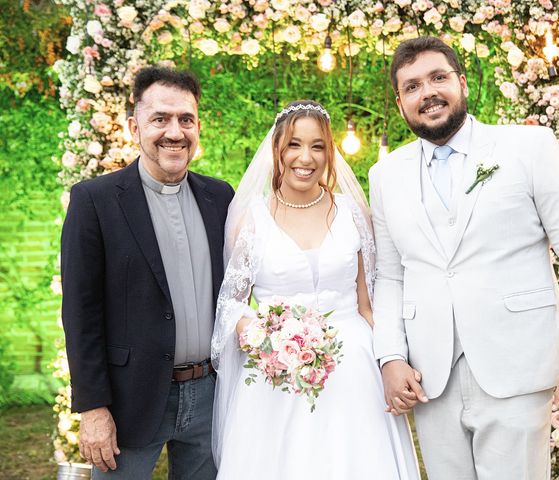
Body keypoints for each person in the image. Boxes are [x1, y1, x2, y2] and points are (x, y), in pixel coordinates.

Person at [369, 36, 559, 479]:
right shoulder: (385, 175)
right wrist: (390, 356)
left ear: (461, 83)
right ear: (401, 102)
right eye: (412, 86)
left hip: (517, 367)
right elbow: (390, 276)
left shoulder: (528, 148)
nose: (427, 93)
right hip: (430, 377)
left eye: (438, 78)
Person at [211, 100, 420, 480]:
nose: (305, 157)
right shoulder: (250, 218)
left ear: (329, 152)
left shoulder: (353, 211)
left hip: (353, 370)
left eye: (317, 146)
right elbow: (231, 305)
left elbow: (369, 303)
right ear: (277, 149)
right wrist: (264, 337)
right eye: (294, 144)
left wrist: (393, 359)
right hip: (276, 378)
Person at [61, 67, 234, 479]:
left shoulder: (221, 197)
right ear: (134, 126)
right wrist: (92, 408)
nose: (174, 131)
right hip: (128, 401)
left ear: (197, 126)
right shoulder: (95, 200)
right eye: (160, 119)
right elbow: (80, 314)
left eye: (185, 119)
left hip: (211, 396)